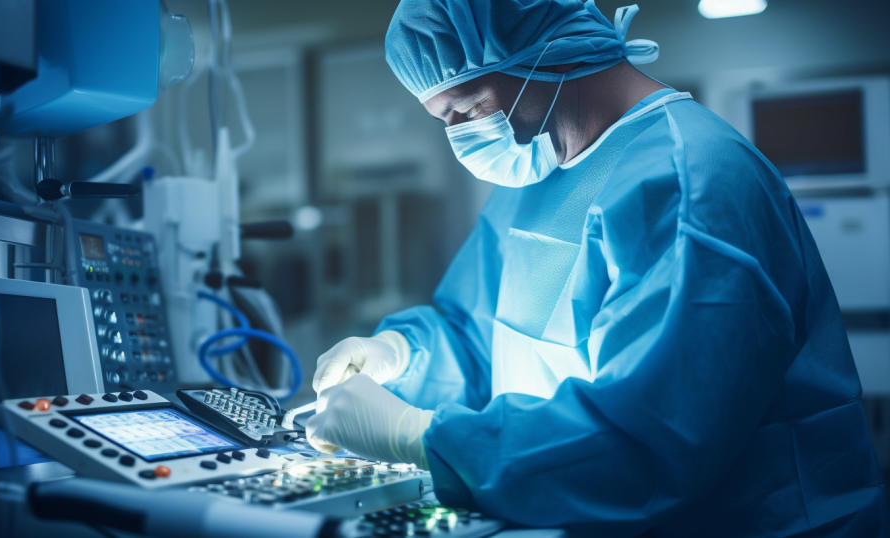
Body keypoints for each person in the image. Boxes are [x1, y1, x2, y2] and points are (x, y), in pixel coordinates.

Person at [306, 0, 888, 535]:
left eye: (465, 107)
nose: (460, 135)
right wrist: (401, 356)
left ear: (536, 52)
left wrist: (416, 436)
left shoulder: (691, 184)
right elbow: (479, 337)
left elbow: (648, 443)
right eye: (446, 119)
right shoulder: (534, 180)